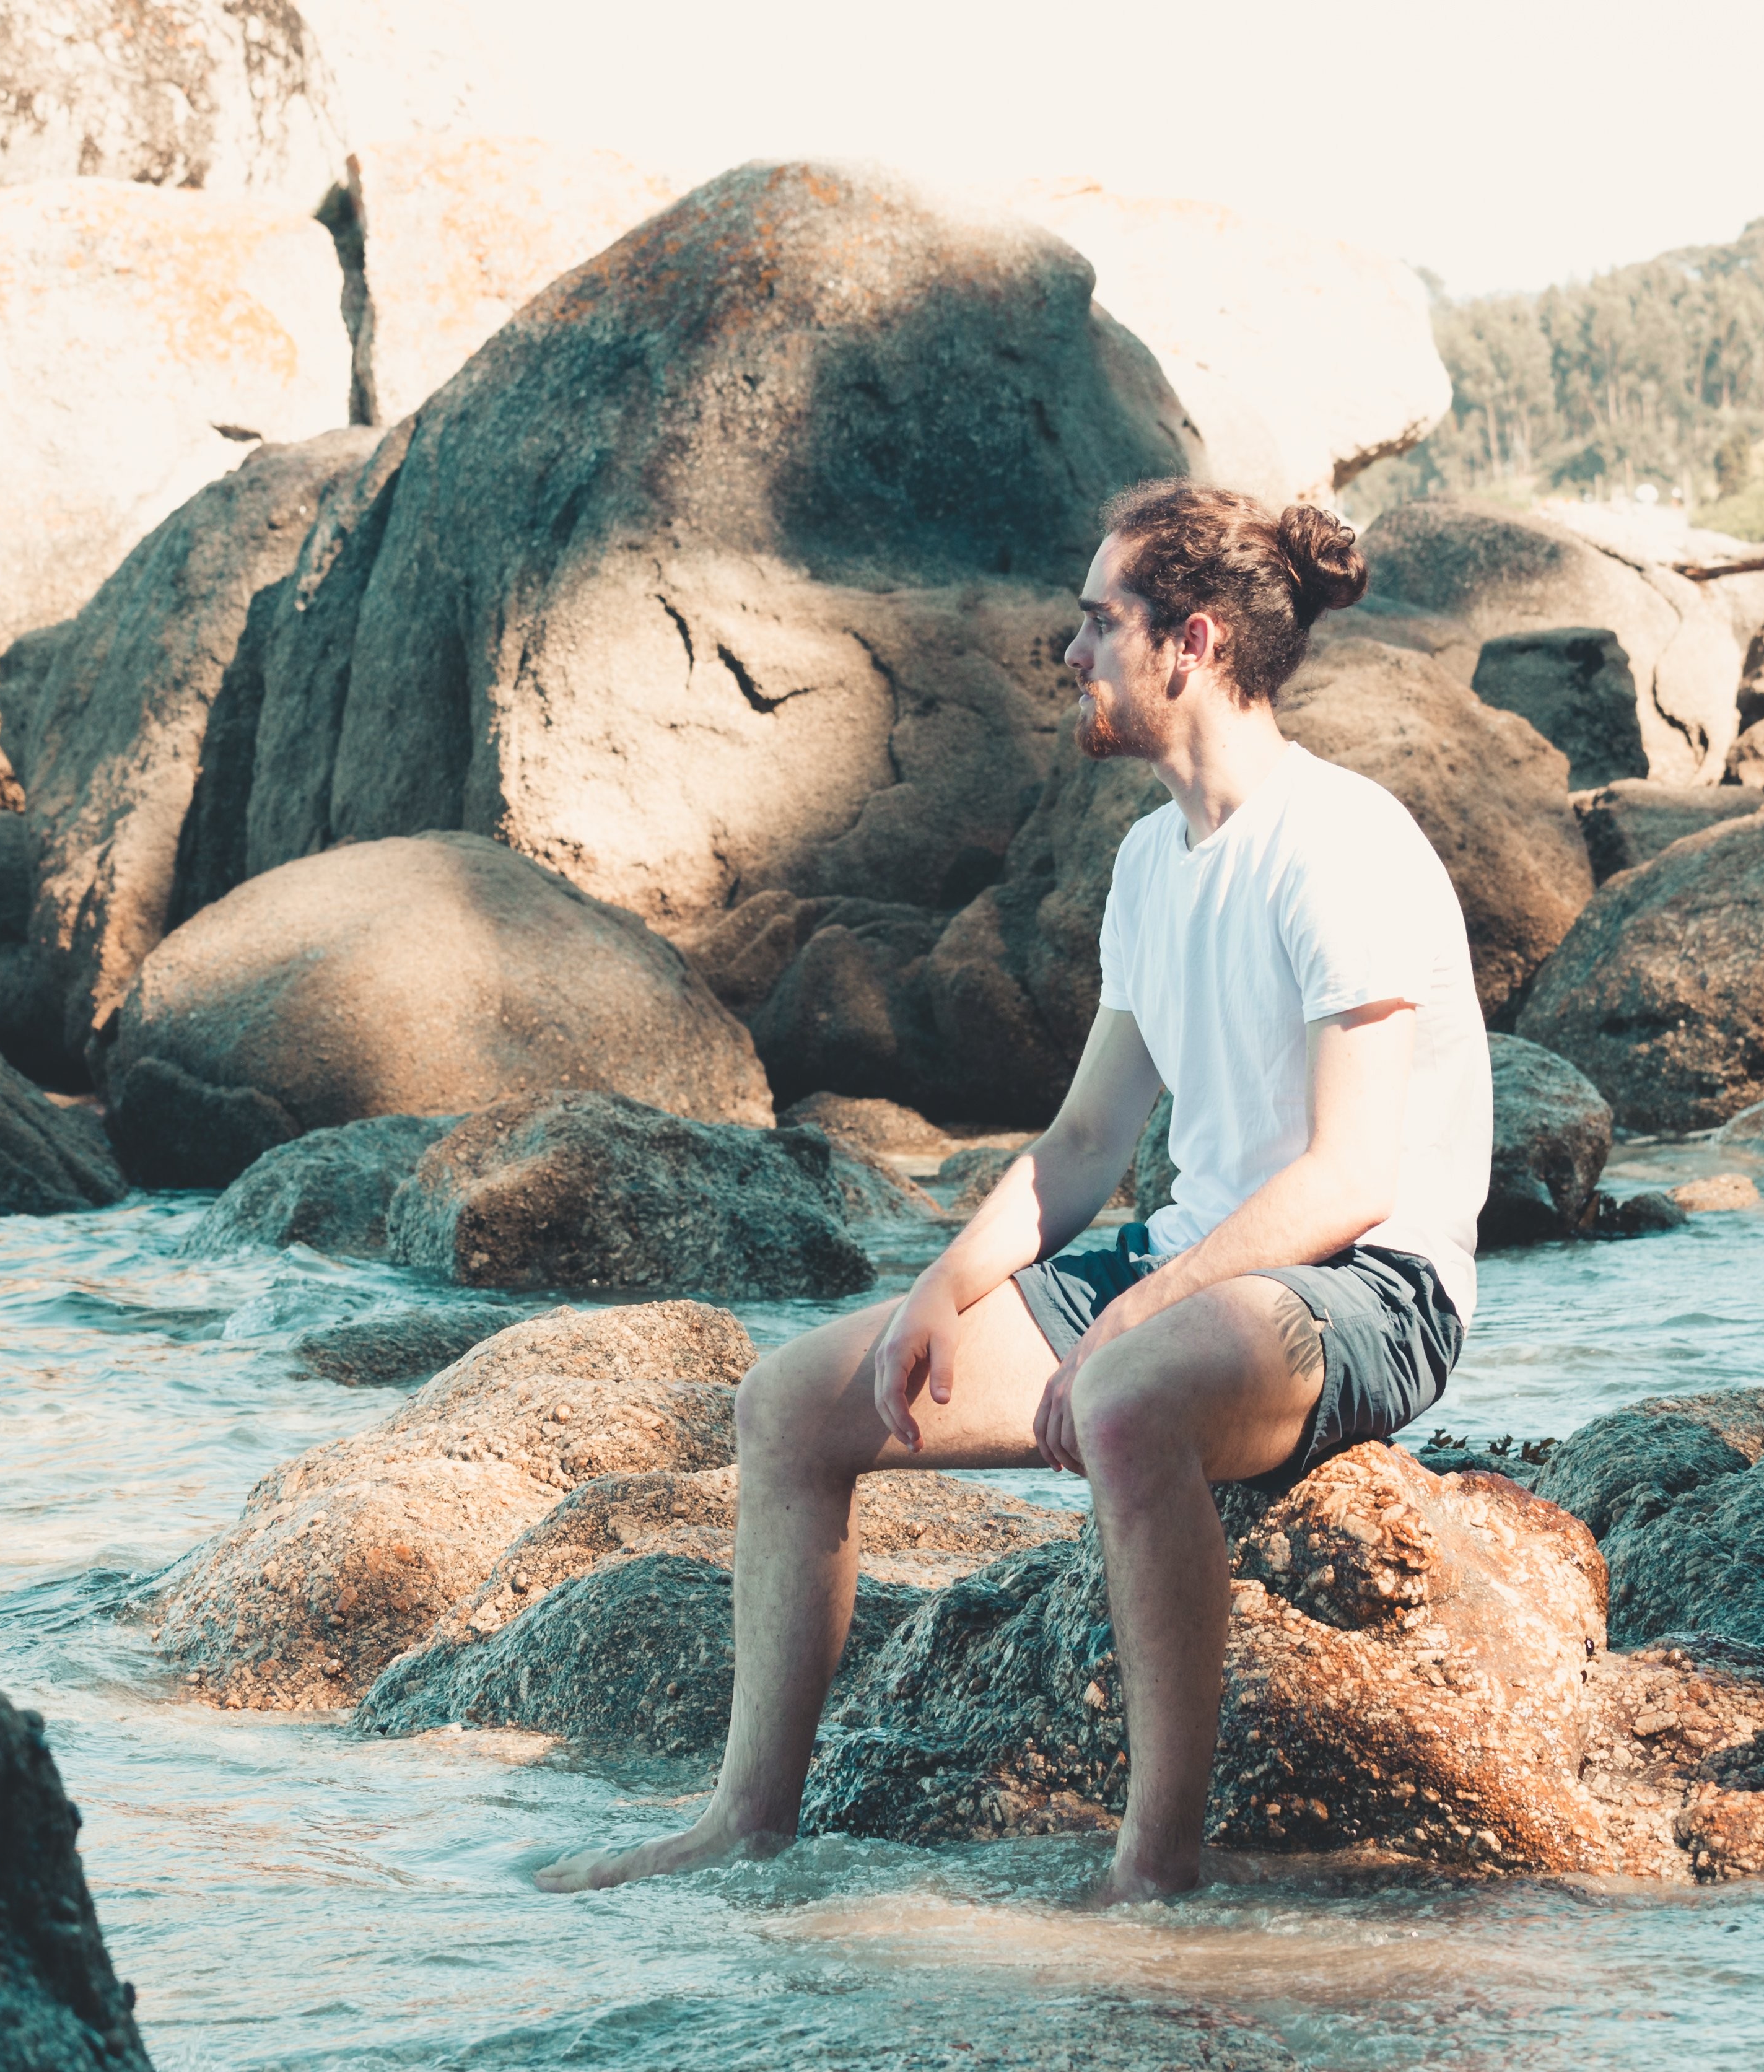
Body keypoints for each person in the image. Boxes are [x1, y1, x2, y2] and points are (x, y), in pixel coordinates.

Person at [535, 480, 1490, 1904]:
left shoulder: (1340, 844)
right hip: (1201, 1267)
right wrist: (942, 1290)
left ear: (1194, 643)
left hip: (1368, 1284)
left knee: (1120, 1396)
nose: (1069, 651)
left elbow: (1351, 1178)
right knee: (794, 1404)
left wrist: (1138, 1316)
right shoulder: (1150, 862)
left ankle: (1155, 1867)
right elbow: (1082, 1145)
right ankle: (744, 1820)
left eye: (1098, 621)